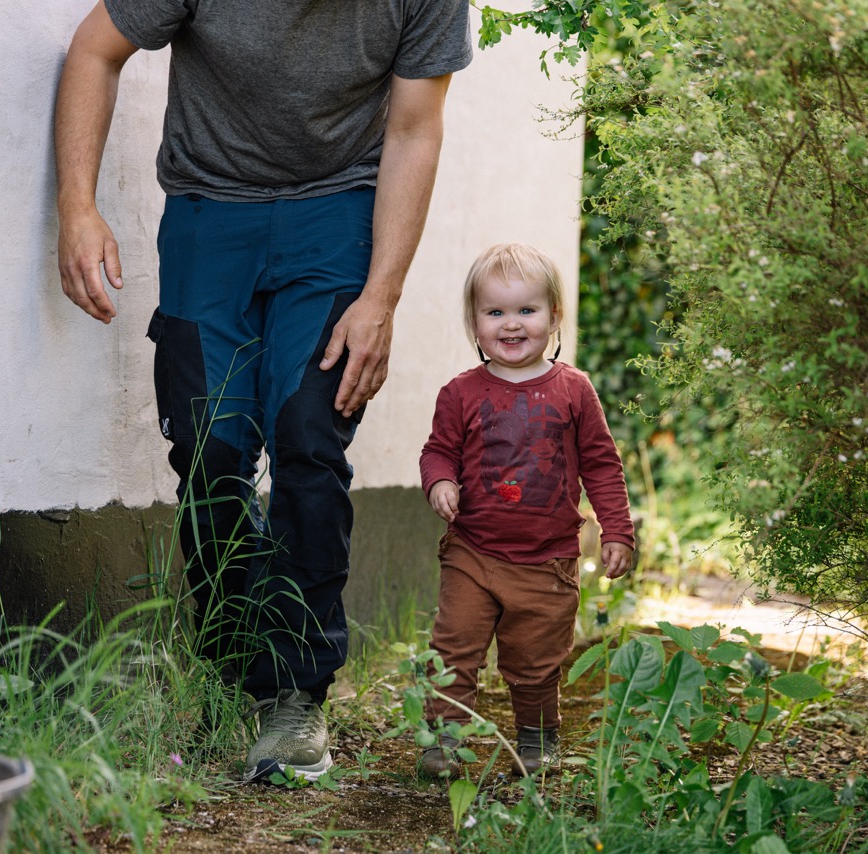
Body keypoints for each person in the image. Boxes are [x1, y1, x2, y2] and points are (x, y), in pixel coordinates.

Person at [53, 0, 473, 783]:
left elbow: (415, 128)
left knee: (310, 437)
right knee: (211, 447)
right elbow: (93, 51)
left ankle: (294, 696)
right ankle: (227, 661)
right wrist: (77, 206)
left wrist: (381, 296)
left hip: (340, 210)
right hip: (210, 213)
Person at [417, 243, 635, 779]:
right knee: (453, 651)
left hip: (547, 560)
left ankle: (537, 741)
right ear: (474, 321)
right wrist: (440, 480)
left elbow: (602, 465)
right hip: (473, 552)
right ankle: (443, 741)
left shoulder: (574, 391)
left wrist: (617, 531)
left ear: (554, 315)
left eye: (525, 311)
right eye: (495, 312)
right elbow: (438, 451)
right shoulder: (461, 393)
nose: (510, 325)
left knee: (537, 662)